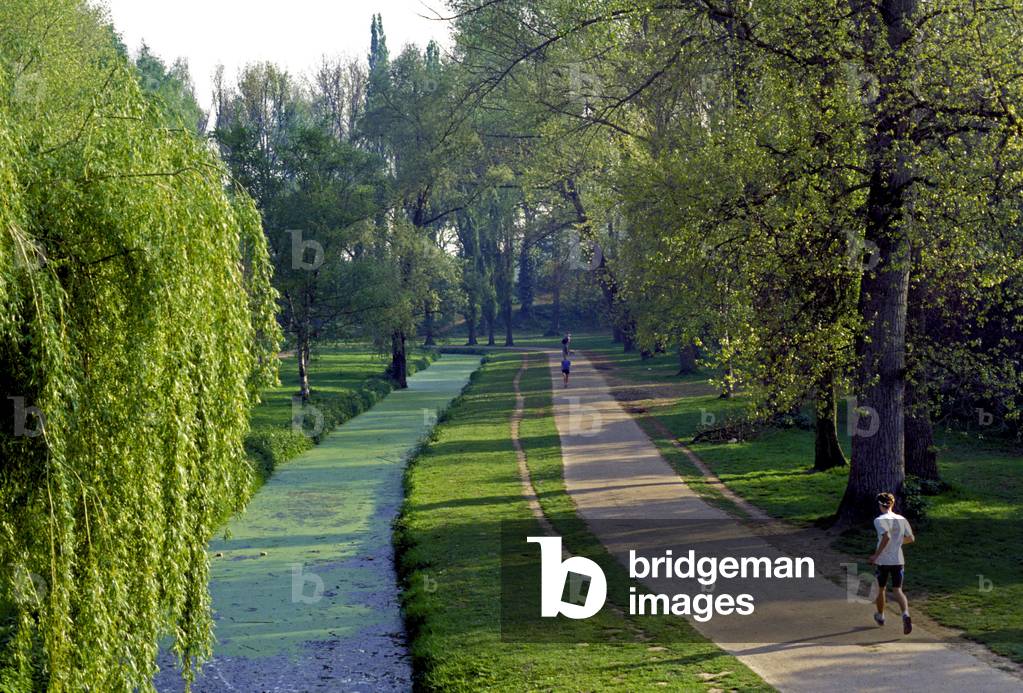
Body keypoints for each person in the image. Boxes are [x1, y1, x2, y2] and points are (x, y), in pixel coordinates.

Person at [869, 491, 915, 635]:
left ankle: (881, 615)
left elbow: (886, 537)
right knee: (897, 590)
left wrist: (875, 556)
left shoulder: (879, 520)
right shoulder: (901, 519)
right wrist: (897, 543)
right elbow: (911, 538)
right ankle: (905, 614)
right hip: (898, 560)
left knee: (880, 588)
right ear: (893, 503)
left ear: (879, 505)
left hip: (883, 561)